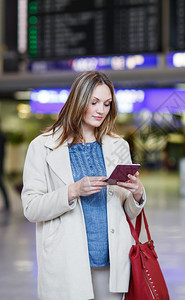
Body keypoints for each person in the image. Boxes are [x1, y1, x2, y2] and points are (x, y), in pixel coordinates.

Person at [21, 71, 146, 300]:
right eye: (94, 102)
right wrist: (73, 191)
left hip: (111, 262)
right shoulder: (42, 147)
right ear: (78, 101)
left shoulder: (118, 146)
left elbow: (127, 210)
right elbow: (31, 208)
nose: (101, 110)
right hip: (66, 260)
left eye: (107, 104)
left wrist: (137, 194)